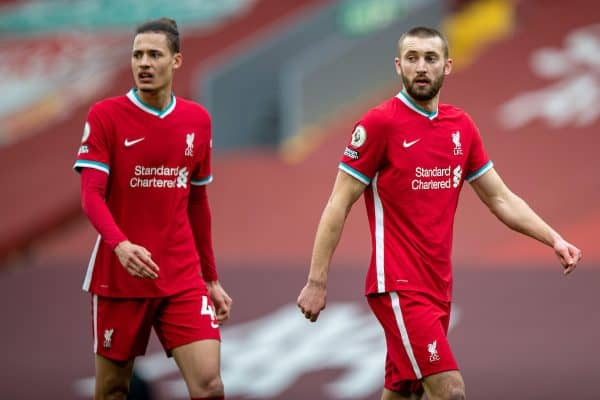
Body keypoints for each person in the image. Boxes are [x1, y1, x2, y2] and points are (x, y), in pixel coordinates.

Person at [296, 26, 582, 400]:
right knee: (450, 391)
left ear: (447, 66)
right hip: (397, 285)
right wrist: (317, 281)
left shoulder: (460, 127)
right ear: (398, 65)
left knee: (403, 393)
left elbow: (500, 198)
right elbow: (338, 203)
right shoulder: (379, 124)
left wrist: (554, 238)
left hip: (437, 289)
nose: (421, 67)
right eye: (412, 58)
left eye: (430, 58)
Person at [73, 18, 232, 400]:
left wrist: (210, 278)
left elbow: (197, 203)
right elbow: (90, 196)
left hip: (180, 275)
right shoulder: (105, 116)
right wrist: (121, 246)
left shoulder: (197, 120)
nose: (143, 63)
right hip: (120, 277)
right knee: (113, 389)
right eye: (137, 55)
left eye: (154, 55)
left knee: (209, 386)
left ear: (176, 61)